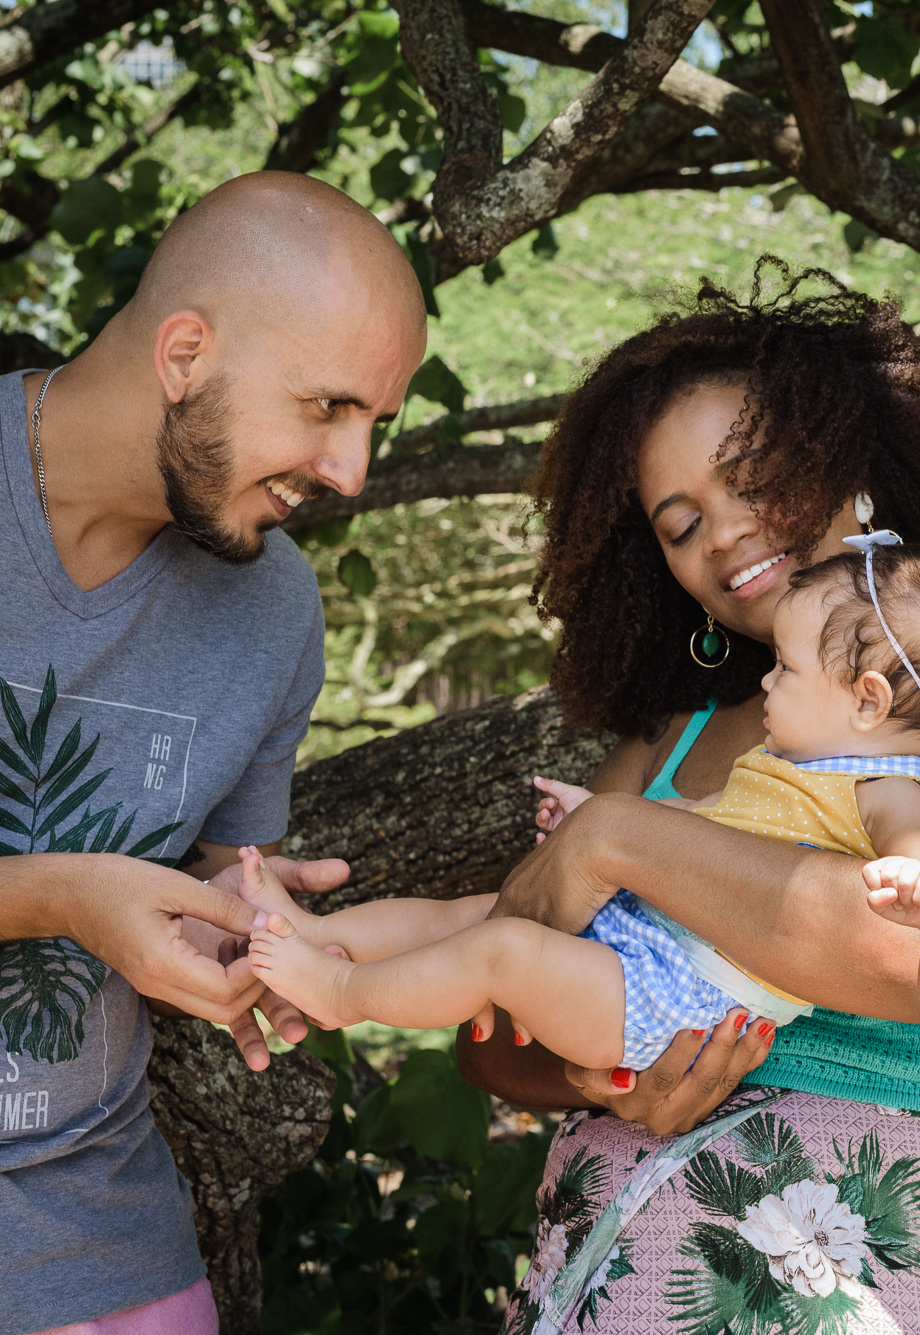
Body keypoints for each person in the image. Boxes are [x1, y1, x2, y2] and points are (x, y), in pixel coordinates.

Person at [453, 264, 920, 1335]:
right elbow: (484, 1030)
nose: (725, 533)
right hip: (618, 1249)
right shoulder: (666, 745)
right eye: (677, 523)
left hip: (878, 1251)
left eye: (754, 477)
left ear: (855, 474)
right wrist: (598, 1080)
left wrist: (616, 845)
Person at [0, 174, 425, 1335]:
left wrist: (228, 917)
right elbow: (72, 899)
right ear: (185, 352)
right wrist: (58, 898)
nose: (350, 473)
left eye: (372, 425)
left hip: (94, 1239)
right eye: (328, 406)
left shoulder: (270, 611)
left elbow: (199, 899)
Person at [236, 537, 920, 1069]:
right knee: (469, 913)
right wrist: (593, 822)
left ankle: (340, 994)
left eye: (787, 668)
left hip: (675, 999)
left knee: (497, 952)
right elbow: (702, 824)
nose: (768, 682)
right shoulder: (785, 763)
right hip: (647, 936)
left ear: (868, 700)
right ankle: (314, 930)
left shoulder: (889, 790)